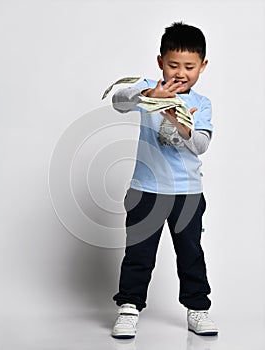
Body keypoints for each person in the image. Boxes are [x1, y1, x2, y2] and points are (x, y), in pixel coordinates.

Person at [111, 22, 218, 338]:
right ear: (161, 62)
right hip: (146, 191)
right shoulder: (147, 88)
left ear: (202, 66)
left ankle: (197, 309)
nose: (181, 72)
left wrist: (178, 121)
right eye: (173, 65)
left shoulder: (203, 103)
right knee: (139, 253)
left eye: (189, 66)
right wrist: (149, 95)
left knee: (191, 252)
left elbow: (200, 145)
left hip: (187, 194)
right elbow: (119, 102)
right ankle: (128, 307)